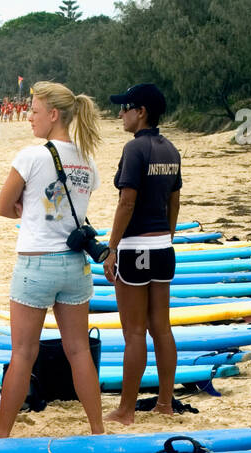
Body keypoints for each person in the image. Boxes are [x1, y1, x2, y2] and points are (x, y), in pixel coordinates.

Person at [0, 80, 104, 438]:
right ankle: (97, 428)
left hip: (37, 264)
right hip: (75, 265)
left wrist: (26, 213)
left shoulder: (32, 156)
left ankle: (2, 434)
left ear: (53, 114)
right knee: (79, 352)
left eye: (34, 111)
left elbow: (2, 206)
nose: (29, 118)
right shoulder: (87, 161)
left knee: (24, 354)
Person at [101, 82, 181, 423]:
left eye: (126, 107)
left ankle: (126, 409)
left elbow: (127, 201)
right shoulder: (171, 150)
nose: (121, 113)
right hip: (163, 246)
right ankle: (164, 403)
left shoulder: (134, 150)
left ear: (141, 112)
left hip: (135, 249)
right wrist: (167, 236)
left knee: (133, 332)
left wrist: (112, 248)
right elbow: (174, 202)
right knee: (161, 328)